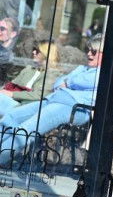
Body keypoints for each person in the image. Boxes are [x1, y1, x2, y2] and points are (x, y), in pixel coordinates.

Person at [0, 36, 102, 164]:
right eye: (88, 50)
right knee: (12, 116)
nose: (89, 54)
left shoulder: (103, 73)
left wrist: (68, 82)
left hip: (73, 107)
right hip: (53, 100)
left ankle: (2, 158)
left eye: (94, 52)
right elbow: (58, 83)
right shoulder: (82, 69)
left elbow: (84, 81)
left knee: (27, 129)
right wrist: (67, 82)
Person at [0, 40, 65, 117]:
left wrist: (12, 94)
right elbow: (12, 84)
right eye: (34, 49)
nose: (33, 52)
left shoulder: (53, 74)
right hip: (12, 101)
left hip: (26, 107)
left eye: (37, 51)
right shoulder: (29, 68)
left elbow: (39, 95)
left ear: (45, 54)